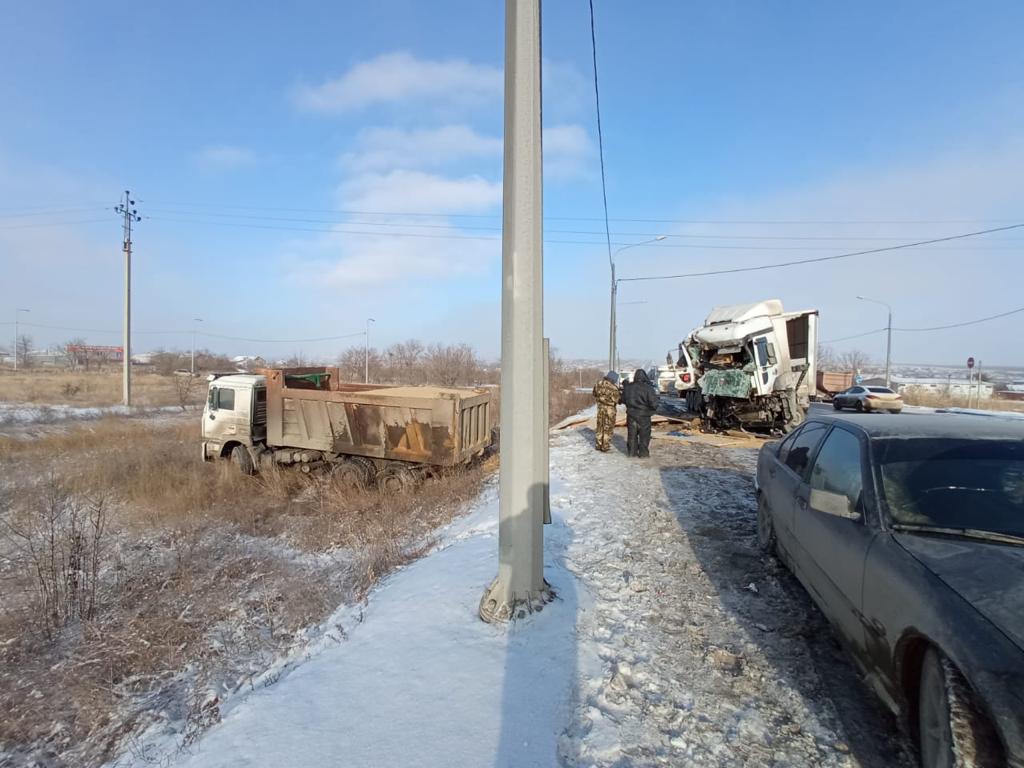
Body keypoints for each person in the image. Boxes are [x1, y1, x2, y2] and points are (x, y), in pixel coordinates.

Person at [621, 368, 659, 458]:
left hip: (631, 415)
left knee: (632, 435)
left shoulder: (628, 388)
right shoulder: (648, 388)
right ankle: (643, 454)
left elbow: (622, 400)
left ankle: (631, 453)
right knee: (644, 436)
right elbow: (654, 404)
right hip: (644, 416)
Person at [591, 371, 620, 452]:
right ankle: (605, 446)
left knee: (600, 427)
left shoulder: (598, 384)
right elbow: (617, 400)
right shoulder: (614, 388)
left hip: (600, 409)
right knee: (608, 428)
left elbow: (594, 394)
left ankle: (598, 445)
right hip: (610, 411)